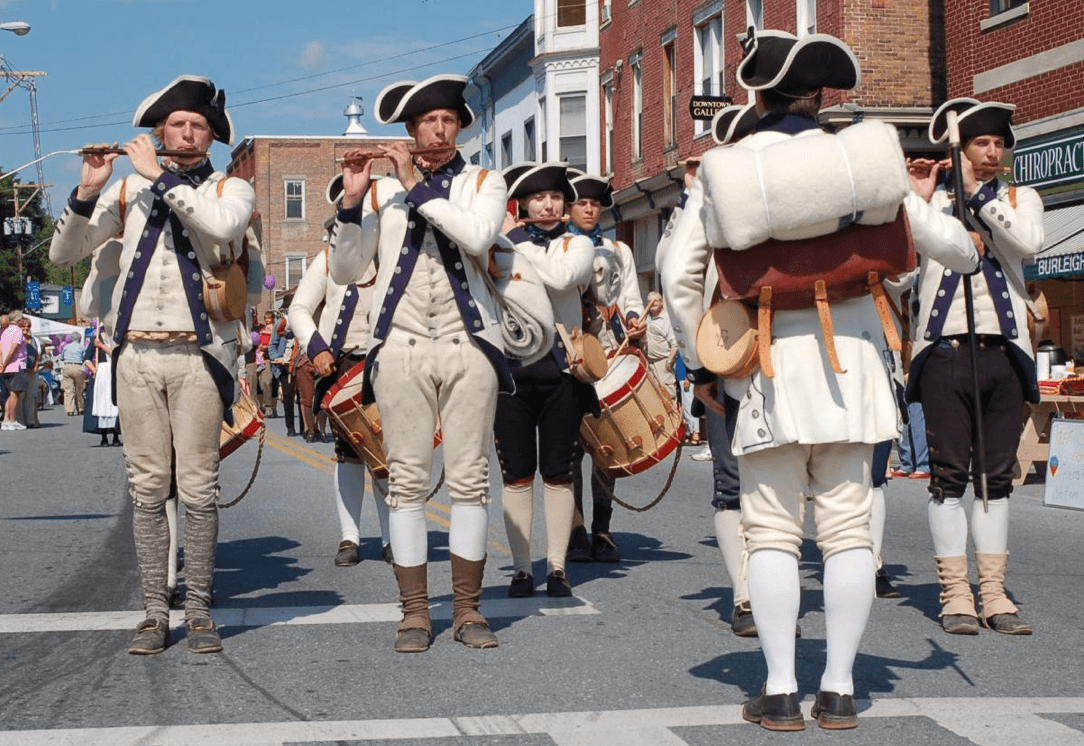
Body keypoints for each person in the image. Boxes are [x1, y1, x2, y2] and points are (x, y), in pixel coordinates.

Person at [662, 30, 979, 730]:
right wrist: (918, 196)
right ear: (820, 94)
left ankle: (778, 691)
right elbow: (956, 254)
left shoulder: (728, 164)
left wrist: (704, 360)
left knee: (771, 533)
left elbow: (678, 275)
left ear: (760, 92)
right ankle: (837, 689)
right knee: (847, 535)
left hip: (766, 372)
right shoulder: (865, 158)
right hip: (859, 371)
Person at [50, 75, 254, 655]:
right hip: (136, 352)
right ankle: (153, 613)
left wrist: (159, 178)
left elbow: (221, 229)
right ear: (158, 131)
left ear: (211, 138)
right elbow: (66, 252)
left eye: (197, 127)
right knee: (145, 487)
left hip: (198, 355)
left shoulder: (230, 189)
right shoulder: (126, 192)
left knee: (198, 487)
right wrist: (88, 190)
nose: (185, 134)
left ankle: (200, 610)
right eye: (175, 126)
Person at [330, 73, 511, 653]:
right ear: (409, 131)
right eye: (427, 121)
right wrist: (354, 200)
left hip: (467, 343)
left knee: (469, 480)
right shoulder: (382, 194)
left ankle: (467, 609)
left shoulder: (484, 181)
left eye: (448, 120)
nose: (439, 128)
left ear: (458, 127)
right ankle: (413, 613)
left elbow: (479, 234)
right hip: (401, 345)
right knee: (405, 480)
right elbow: (345, 270)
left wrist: (415, 184)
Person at [907, 98, 1045, 636]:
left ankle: (994, 593)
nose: (991, 153)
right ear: (959, 150)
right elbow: (897, 279)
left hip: (1003, 353)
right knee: (947, 479)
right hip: (943, 354)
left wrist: (980, 196)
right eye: (980, 145)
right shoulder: (929, 204)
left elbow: (1028, 243)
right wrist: (919, 202)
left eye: (998, 145)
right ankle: (955, 592)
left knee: (996, 480)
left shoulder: (1018, 198)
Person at [496, 162, 594, 598]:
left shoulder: (578, 244)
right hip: (512, 372)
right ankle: (521, 568)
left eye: (555, 198)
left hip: (562, 372)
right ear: (524, 204)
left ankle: (556, 567)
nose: (548, 205)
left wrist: (513, 240)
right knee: (516, 474)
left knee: (558, 473)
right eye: (539, 199)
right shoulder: (499, 246)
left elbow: (559, 277)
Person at [290, 176, 392, 568]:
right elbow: (298, 309)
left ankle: (391, 538)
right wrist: (316, 348)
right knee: (348, 453)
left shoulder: (392, 256)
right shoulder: (329, 258)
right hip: (342, 366)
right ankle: (350, 537)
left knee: (388, 453)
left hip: (386, 364)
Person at [564, 169, 646, 564]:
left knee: (606, 444)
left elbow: (630, 294)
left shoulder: (619, 252)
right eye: (582, 202)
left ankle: (603, 529)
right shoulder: (559, 248)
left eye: (595, 204)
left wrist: (634, 319)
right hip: (569, 357)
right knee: (571, 449)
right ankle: (575, 529)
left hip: (609, 353)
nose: (590, 210)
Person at [82, 325, 121, 446]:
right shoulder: (96, 338)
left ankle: (116, 435)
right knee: (102, 404)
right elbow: (87, 359)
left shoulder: (117, 339)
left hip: (114, 371)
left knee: (115, 405)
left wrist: (101, 346)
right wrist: (95, 371)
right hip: (102, 373)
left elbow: (116, 355)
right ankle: (104, 436)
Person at [643, 292, 678, 399]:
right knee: (655, 397)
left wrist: (669, 362)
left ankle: (674, 415)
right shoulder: (646, 317)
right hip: (649, 363)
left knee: (668, 395)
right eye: (649, 301)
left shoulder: (667, 319)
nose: (652, 303)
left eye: (655, 300)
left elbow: (675, 344)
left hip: (663, 363)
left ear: (661, 302)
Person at [1, 311, 28, 431]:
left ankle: (6, 420)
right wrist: (6, 362)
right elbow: (14, 348)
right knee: (15, 394)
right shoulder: (17, 331)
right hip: (16, 366)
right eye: (22, 319)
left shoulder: (5, 331)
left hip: (6, 367)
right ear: (18, 319)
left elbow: (1, 350)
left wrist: (2, 364)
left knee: (9, 394)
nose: (23, 321)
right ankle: (12, 420)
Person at [59, 333, 87, 415]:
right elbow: (85, 357)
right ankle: (80, 408)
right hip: (78, 367)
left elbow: (61, 357)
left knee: (68, 390)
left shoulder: (66, 347)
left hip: (67, 366)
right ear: (80, 338)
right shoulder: (82, 347)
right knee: (79, 389)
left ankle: (70, 410)